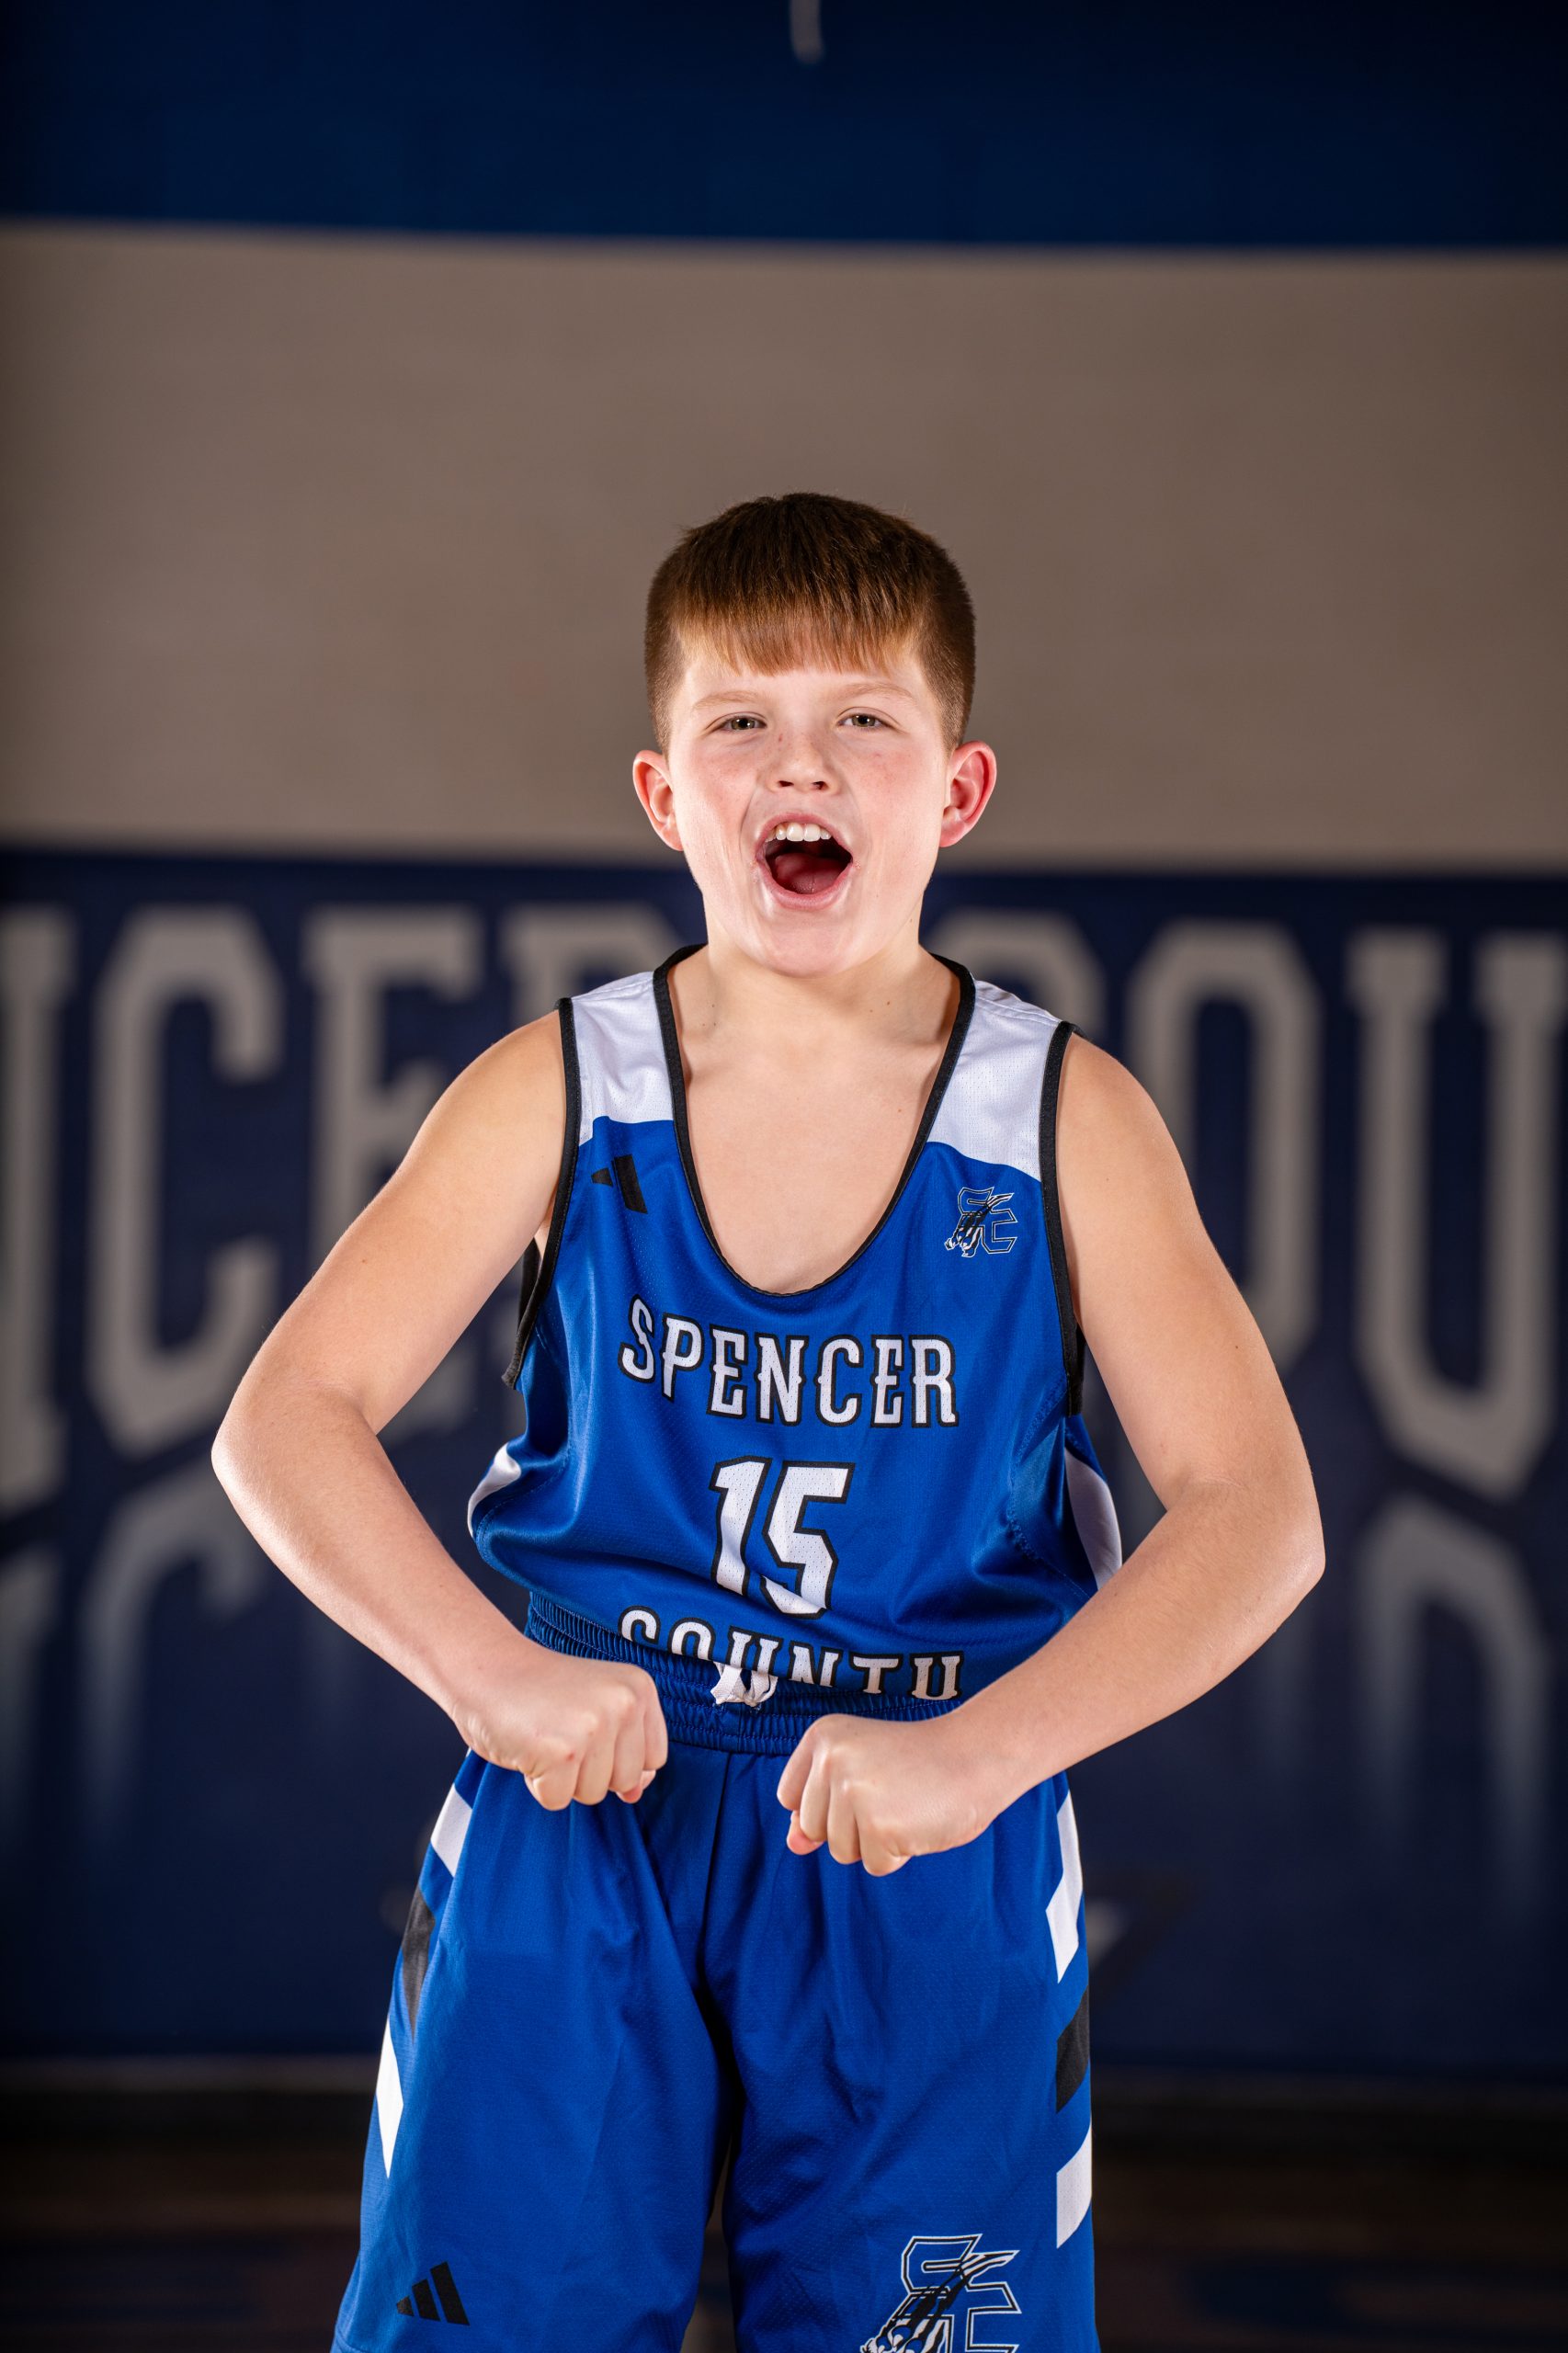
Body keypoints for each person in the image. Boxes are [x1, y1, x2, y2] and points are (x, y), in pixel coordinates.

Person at [213, 491, 1323, 2350]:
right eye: (741, 719)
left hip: (920, 1822)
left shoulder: (1066, 1121)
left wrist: (982, 1753)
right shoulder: (559, 1087)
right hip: (590, 1806)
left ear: (955, 790)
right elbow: (284, 1415)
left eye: (860, 719)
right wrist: (488, 1675)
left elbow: (1256, 1512)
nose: (798, 763)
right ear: (666, 792)